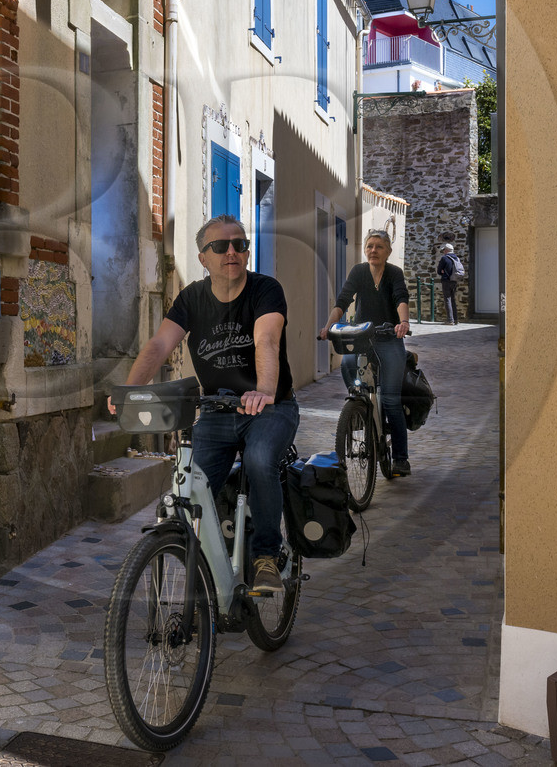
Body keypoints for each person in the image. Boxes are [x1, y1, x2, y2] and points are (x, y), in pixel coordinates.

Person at [111, 214, 298, 594]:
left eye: (240, 244)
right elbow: (160, 345)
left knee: (261, 461)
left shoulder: (265, 289)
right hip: (217, 410)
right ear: (203, 257)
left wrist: (263, 390)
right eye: (220, 246)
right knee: (192, 484)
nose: (232, 251)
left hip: (270, 407)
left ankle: (266, 554)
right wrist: (130, 390)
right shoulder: (191, 299)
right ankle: (204, 562)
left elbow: (266, 340)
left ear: (246, 252)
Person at [319, 230, 412, 477]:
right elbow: (343, 301)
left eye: (379, 246)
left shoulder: (394, 274)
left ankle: (401, 458)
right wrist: (328, 326)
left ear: (388, 251)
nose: (373, 250)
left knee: (391, 399)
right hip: (362, 336)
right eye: (370, 246)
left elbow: (401, 298)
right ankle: (359, 406)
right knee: (348, 362)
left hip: (389, 337)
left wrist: (403, 323)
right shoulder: (359, 272)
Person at [436, 242, 463, 327]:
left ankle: (450, 320)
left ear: (447, 250)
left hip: (446, 281)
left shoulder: (444, 258)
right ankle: (456, 319)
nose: (443, 251)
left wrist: (443, 271)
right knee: (453, 300)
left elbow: (439, 271)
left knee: (447, 299)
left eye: (444, 250)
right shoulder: (457, 258)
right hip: (454, 281)